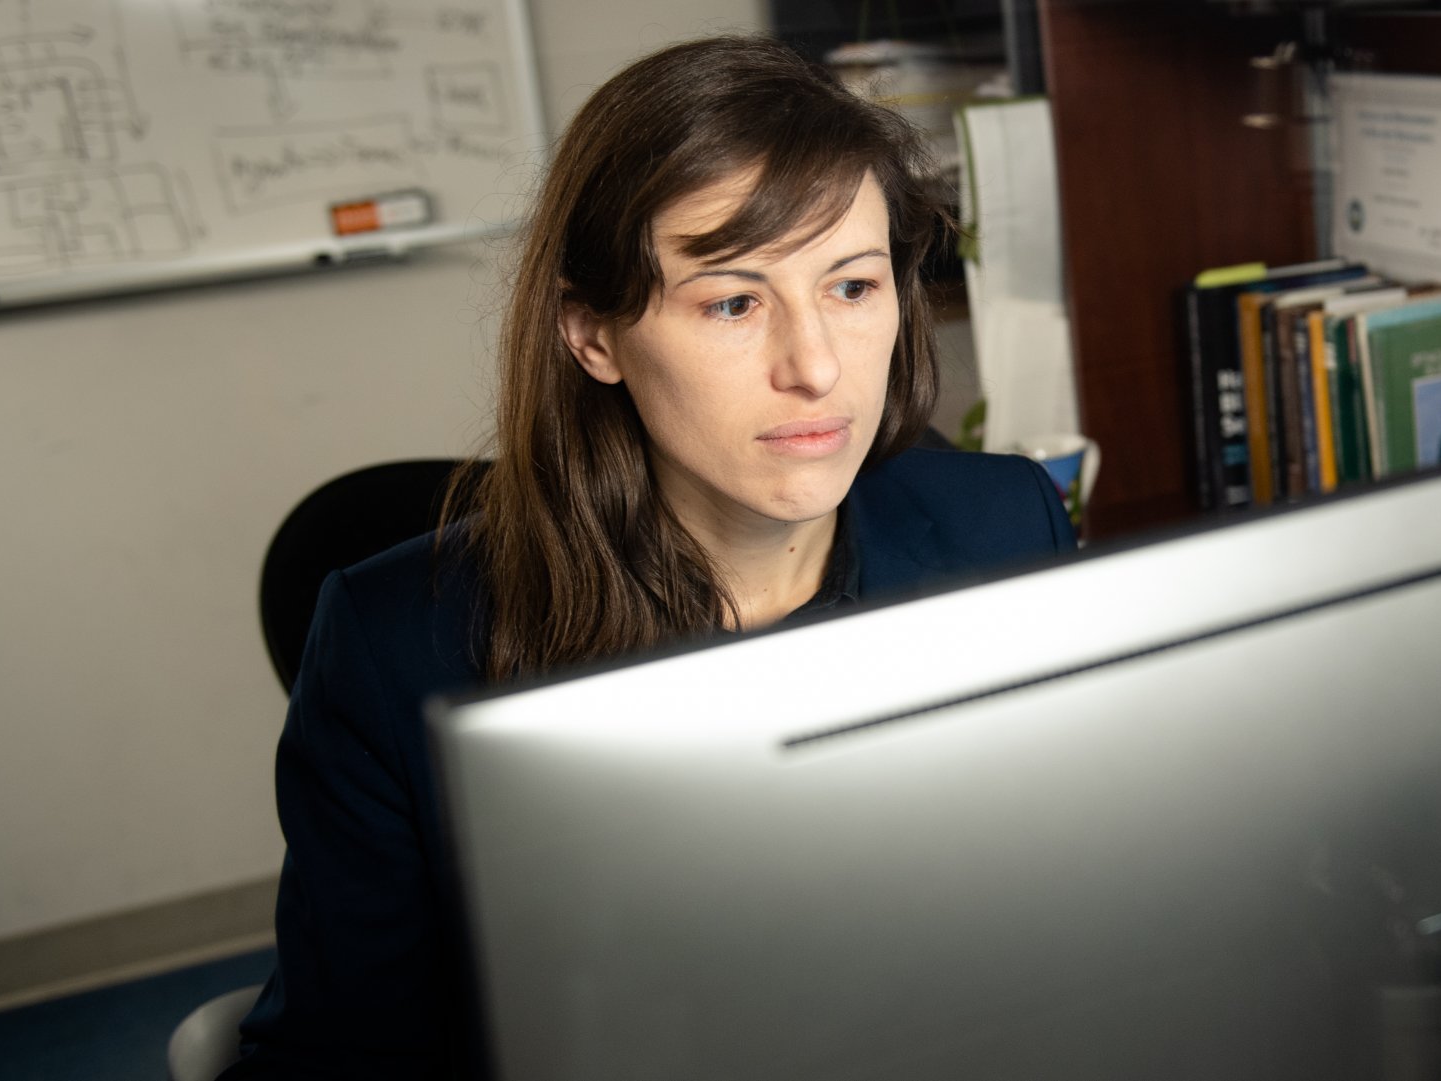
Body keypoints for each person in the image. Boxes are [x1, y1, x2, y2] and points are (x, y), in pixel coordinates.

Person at [220, 35, 1075, 1080]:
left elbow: (1087, 907)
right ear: (593, 334)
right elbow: (336, 1059)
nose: (815, 367)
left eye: (852, 287)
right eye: (732, 301)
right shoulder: (395, 643)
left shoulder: (1007, 525)